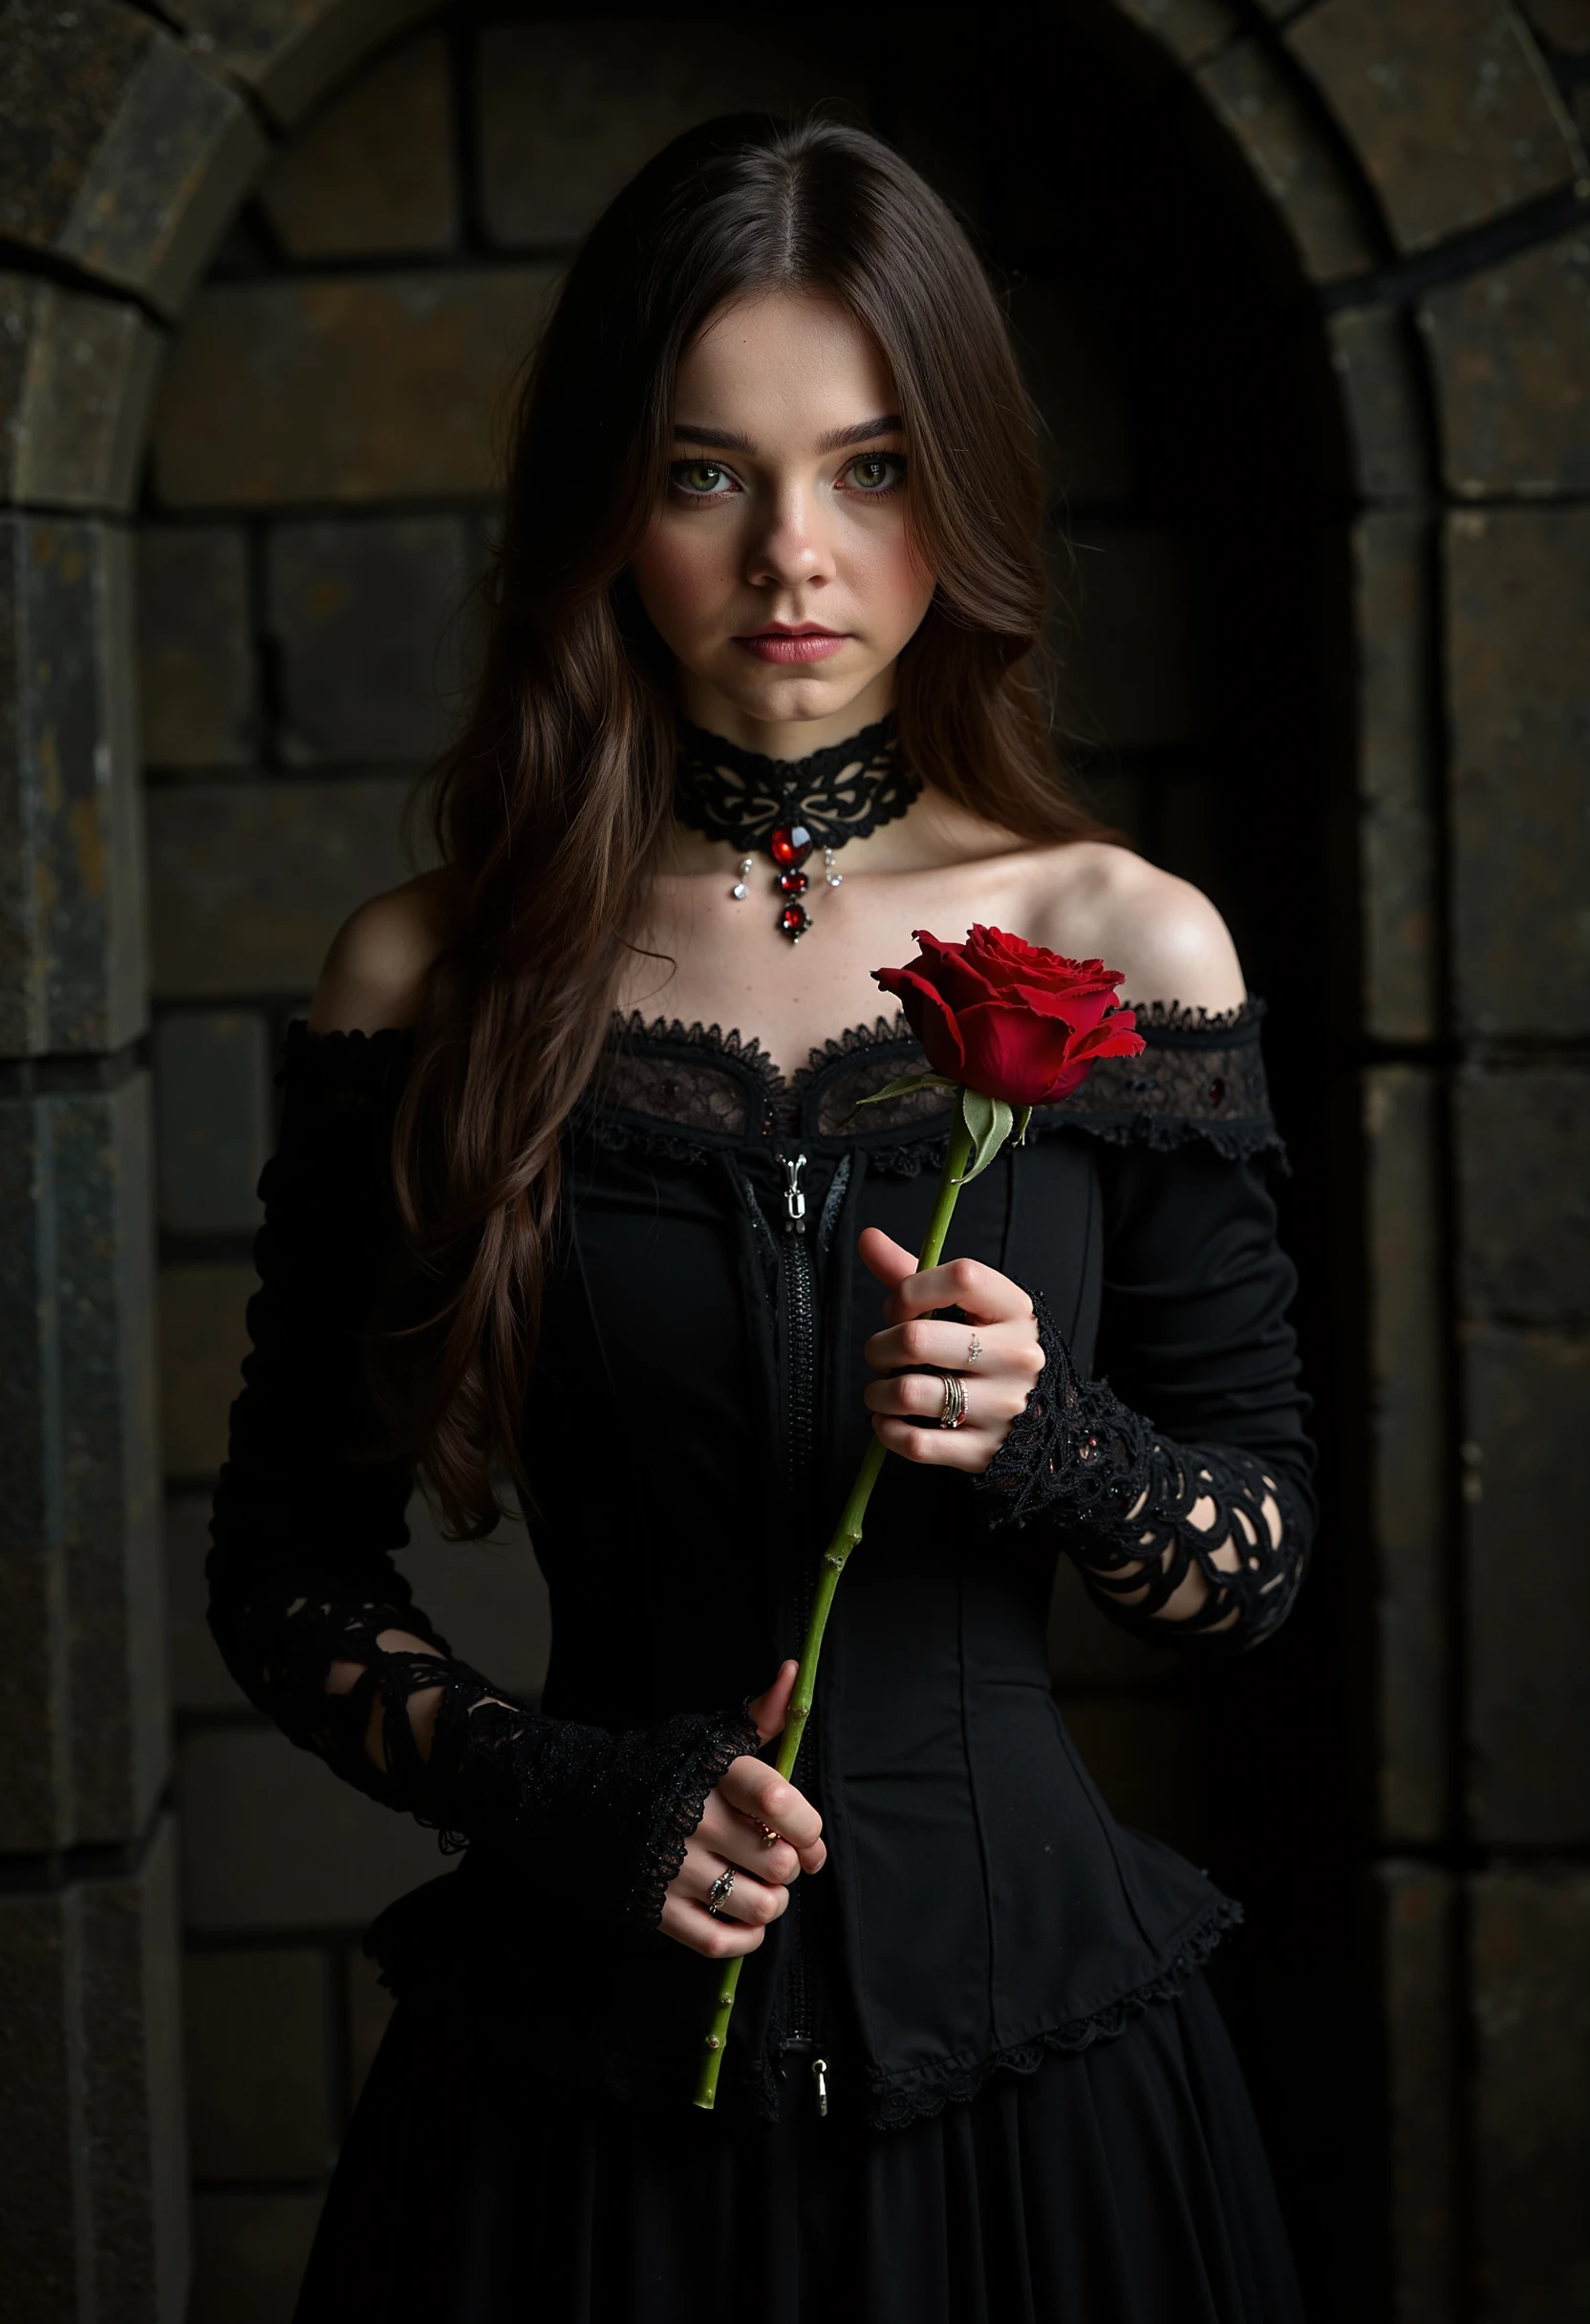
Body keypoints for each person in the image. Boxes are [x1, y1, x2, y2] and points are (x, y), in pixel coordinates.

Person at [208, 115, 1313, 2323]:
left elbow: (1258, 1558)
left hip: (1045, 2097)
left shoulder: (1124, 937)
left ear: (962, 491)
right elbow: (283, 1564)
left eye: (873, 467)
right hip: (568, 2116)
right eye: (709, 471)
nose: (793, 554)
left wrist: (1059, 1440)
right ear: (613, 508)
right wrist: (569, 1792)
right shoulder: (429, 977)